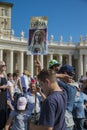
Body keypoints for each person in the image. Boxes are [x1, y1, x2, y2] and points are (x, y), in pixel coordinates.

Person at [0, 61, 11, 130]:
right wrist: (3, 87)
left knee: (4, 109)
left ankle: (3, 126)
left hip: (4, 95)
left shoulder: (5, 75)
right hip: (0, 95)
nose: (5, 67)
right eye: (3, 65)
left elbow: (6, 84)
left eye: (5, 65)